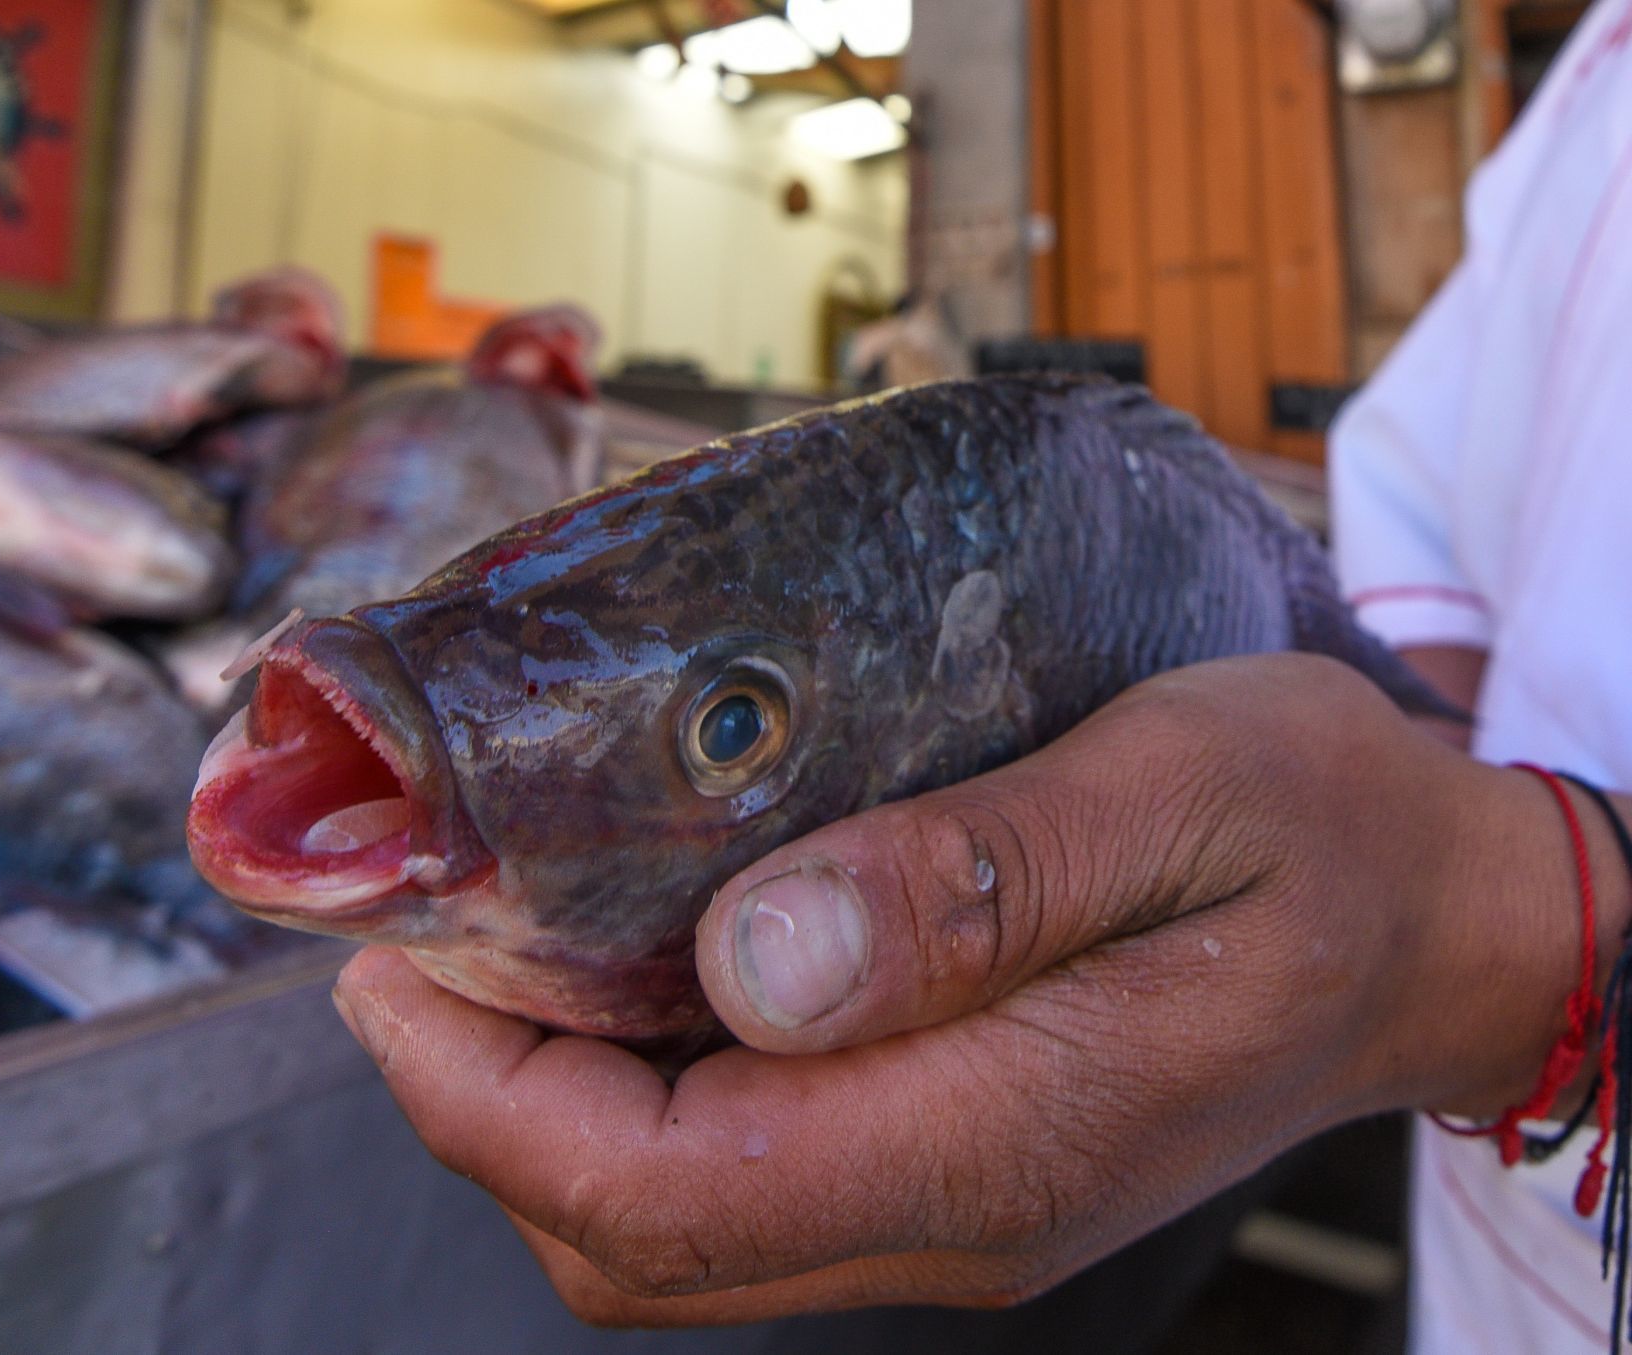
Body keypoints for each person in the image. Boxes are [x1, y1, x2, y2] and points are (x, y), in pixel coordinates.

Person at [331, 3, 1632, 1349]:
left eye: (732, 727)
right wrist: (1429, 814)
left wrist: (1489, 927)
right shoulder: (1592, 77)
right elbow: (1455, 592)